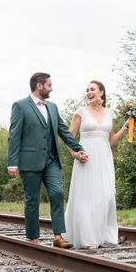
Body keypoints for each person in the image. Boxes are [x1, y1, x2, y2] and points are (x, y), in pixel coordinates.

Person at [7, 72, 89, 248]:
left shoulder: (52, 107)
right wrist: (12, 163)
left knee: (57, 193)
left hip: (51, 160)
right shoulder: (20, 106)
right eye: (49, 85)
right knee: (32, 199)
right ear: (39, 86)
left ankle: (58, 236)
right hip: (29, 161)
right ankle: (33, 237)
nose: (52, 87)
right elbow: (14, 136)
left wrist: (78, 148)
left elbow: (63, 130)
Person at [64, 80, 129, 251]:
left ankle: (105, 236)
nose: (88, 92)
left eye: (92, 89)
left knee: (106, 195)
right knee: (86, 198)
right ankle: (87, 239)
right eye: (87, 90)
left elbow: (110, 140)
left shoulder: (110, 113)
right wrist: (75, 154)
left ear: (101, 92)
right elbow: (68, 137)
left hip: (104, 158)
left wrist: (123, 129)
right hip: (86, 156)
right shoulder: (81, 112)